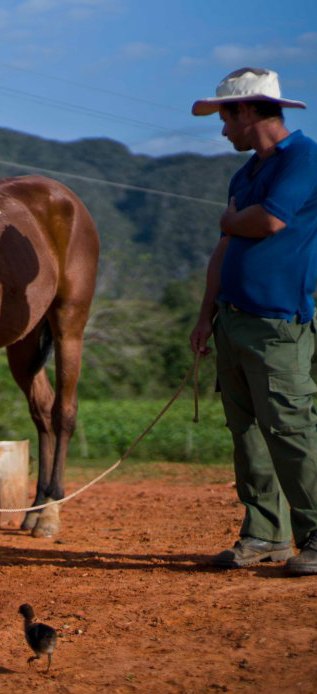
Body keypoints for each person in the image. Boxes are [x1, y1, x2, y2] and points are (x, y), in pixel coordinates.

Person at [189, 66, 317, 575]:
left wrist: (230, 219)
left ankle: (314, 533)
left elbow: (270, 221)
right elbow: (226, 247)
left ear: (246, 111)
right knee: (247, 434)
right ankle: (265, 534)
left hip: (278, 323)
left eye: (225, 118)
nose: (222, 130)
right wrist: (204, 317)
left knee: (290, 428)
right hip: (231, 320)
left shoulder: (305, 158)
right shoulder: (243, 175)